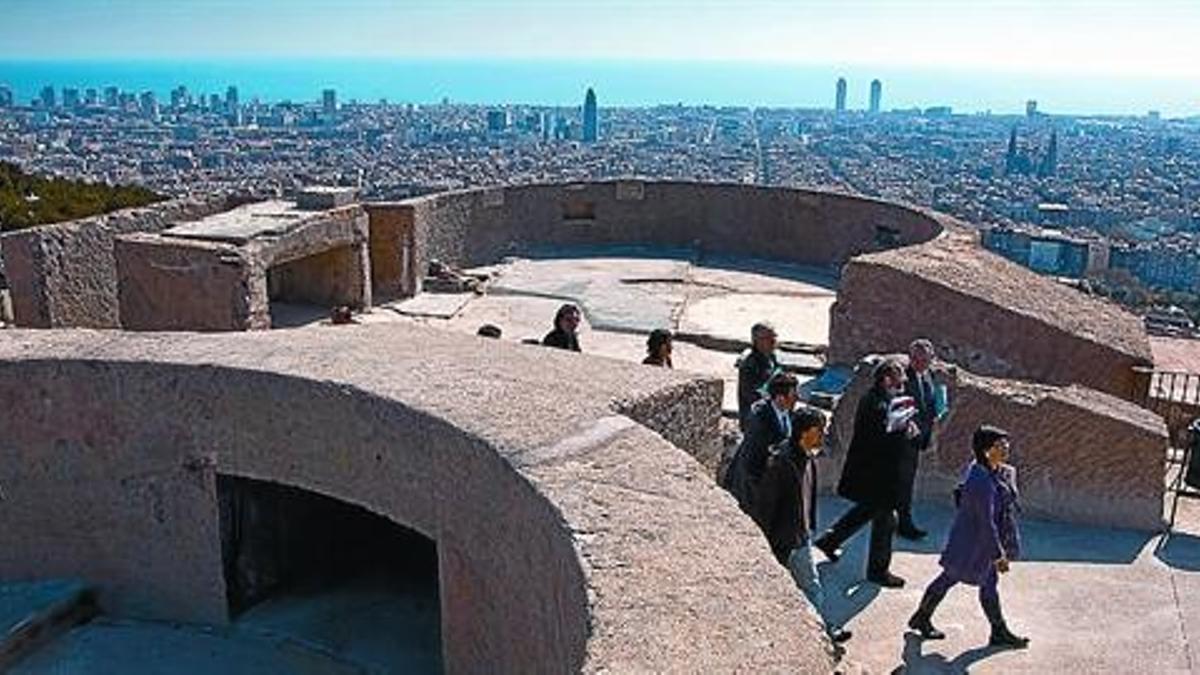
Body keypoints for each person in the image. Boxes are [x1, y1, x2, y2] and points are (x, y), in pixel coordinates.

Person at [908, 424, 1029, 649]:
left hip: (977, 542)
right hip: (973, 544)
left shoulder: (989, 470)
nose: (1006, 448)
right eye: (1000, 445)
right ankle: (922, 617)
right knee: (950, 577)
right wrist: (998, 555)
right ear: (986, 451)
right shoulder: (981, 481)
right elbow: (986, 522)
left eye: (1005, 444)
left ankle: (998, 630)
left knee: (985, 584)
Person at [812, 358, 914, 588]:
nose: (903, 385)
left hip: (877, 474)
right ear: (887, 379)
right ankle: (878, 571)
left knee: (867, 510)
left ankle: (829, 540)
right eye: (899, 380)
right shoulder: (876, 404)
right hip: (876, 474)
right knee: (885, 520)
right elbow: (883, 438)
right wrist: (903, 432)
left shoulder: (880, 400)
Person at [754, 407, 852, 644]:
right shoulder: (780, 462)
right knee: (801, 588)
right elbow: (766, 507)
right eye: (819, 430)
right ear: (805, 432)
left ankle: (821, 632)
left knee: (811, 587)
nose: (823, 436)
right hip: (784, 539)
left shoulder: (807, 457)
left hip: (801, 536)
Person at [723, 372, 798, 512]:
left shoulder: (787, 412)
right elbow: (755, 457)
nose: (797, 399)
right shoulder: (760, 419)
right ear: (781, 398)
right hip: (752, 480)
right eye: (793, 395)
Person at [897, 338, 938, 540]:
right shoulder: (903, 379)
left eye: (925, 359)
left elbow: (928, 405)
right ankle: (904, 524)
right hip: (903, 442)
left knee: (904, 484)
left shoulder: (928, 376)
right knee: (903, 485)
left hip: (917, 439)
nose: (920, 363)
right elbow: (899, 408)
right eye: (916, 359)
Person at [737, 322, 780, 432]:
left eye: (774, 337)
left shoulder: (772, 357)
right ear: (757, 341)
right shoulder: (749, 364)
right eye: (768, 338)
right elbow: (751, 394)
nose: (773, 341)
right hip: (755, 421)